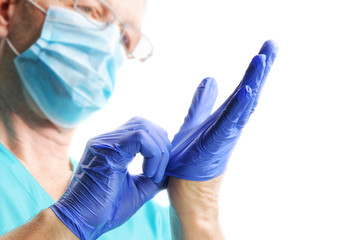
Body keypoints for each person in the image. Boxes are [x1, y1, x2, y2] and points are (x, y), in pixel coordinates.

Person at [0, 0, 278, 239]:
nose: (107, 44)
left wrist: (198, 211)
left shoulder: (150, 222)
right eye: (88, 9)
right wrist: (66, 223)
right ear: (6, 10)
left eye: (125, 39)